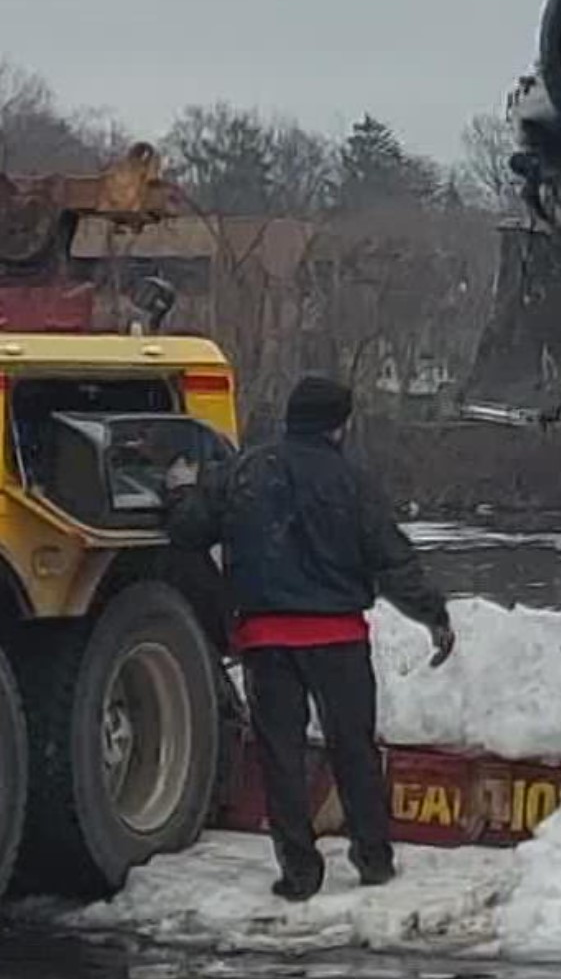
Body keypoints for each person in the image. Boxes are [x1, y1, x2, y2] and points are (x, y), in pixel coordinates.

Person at [165, 375, 456, 902]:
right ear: (339, 426)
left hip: (266, 639)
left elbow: (187, 531)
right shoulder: (352, 480)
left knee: (282, 756)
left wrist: (183, 488)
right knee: (354, 751)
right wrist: (434, 615)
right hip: (338, 638)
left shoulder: (244, 471)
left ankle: (299, 873)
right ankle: (374, 858)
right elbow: (392, 560)